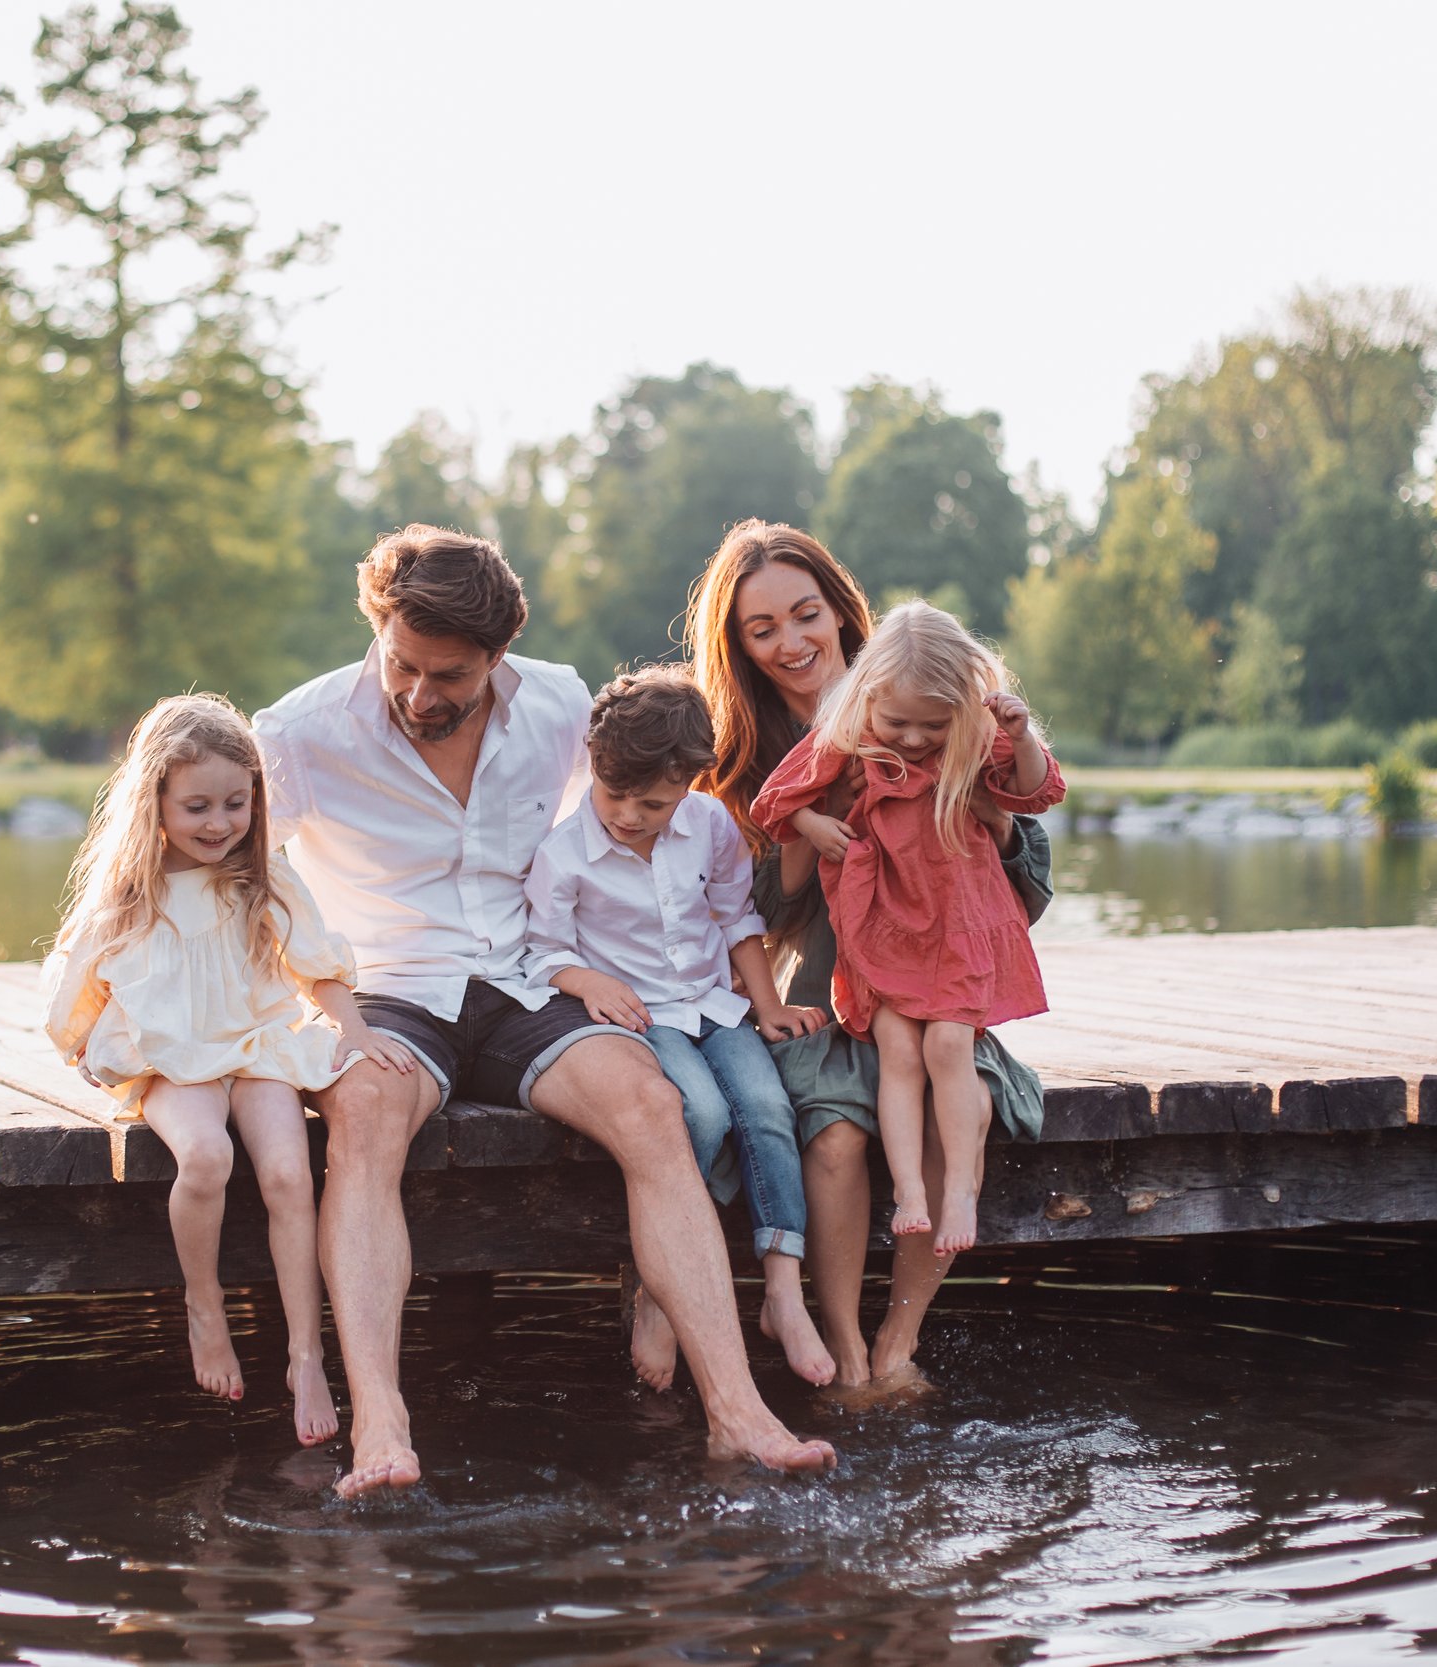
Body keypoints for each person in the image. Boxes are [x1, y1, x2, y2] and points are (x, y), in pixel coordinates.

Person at [255, 525, 837, 1496]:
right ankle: (381, 1427)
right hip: (393, 986)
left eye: (448, 675)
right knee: (360, 1120)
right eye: (402, 664)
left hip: (529, 979)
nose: (417, 693)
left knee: (653, 1106)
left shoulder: (561, 702)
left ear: (497, 656)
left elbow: (650, 800)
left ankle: (737, 1411)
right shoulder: (301, 730)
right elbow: (241, 877)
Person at [686, 521, 1055, 1392]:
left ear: (841, 612)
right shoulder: (753, 751)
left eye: (804, 614)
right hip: (831, 985)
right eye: (760, 627)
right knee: (841, 1138)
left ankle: (900, 1336)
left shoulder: (933, 693)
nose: (790, 641)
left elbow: (1027, 889)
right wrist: (823, 823)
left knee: (947, 1102)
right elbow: (765, 908)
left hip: (941, 978)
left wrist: (987, 817)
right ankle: (844, 1342)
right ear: (737, 645)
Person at [39, 694, 401, 1447]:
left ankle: (306, 1352)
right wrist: (82, 1047)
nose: (218, 823)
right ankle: (205, 1305)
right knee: (206, 1156)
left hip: (257, 1041)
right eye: (197, 805)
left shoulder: (259, 874)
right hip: (173, 1053)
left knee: (288, 1173)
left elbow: (314, 959)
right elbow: (80, 980)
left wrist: (356, 1028)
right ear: (156, 804)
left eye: (236, 803)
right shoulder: (132, 892)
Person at [519, 667, 838, 1388]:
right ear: (594, 767)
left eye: (654, 802)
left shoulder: (712, 826)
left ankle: (783, 1289)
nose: (629, 815)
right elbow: (540, 950)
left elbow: (737, 919)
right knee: (701, 1112)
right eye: (615, 795)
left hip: (713, 1003)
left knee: (766, 1107)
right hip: (640, 1015)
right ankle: (663, 1289)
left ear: (692, 784)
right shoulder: (565, 851)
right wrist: (586, 980)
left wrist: (768, 1006)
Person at [753, 602, 1065, 1253]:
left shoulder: (976, 741)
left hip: (957, 928)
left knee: (948, 1047)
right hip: (884, 930)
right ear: (868, 698)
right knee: (898, 1052)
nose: (916, 739)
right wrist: (813, 824)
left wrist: (1024, 733)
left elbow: (1036, 793)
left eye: (933, 724)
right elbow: (773, 801)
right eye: (899, 722)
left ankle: (958, 1191)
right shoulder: (847, 734)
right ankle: (909, 1191)